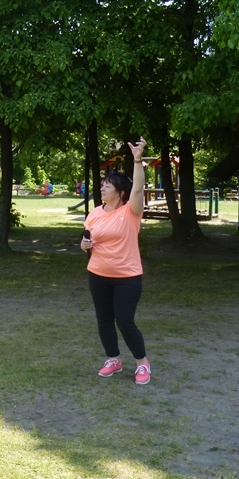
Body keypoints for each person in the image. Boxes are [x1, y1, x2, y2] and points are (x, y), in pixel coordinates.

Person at [80, 138, 151, 385]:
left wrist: (138, 161)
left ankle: (142, 363)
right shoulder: (94, 214)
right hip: (98, 275)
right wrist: (84, 245)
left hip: (127, 278)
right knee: (104, 321)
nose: (102, 188)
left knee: (124, 321)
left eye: (107, 186)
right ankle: (113, 359)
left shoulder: (131, 212)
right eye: (102, 185)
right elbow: (88, 239)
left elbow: (138, 190)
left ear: (120, 192)